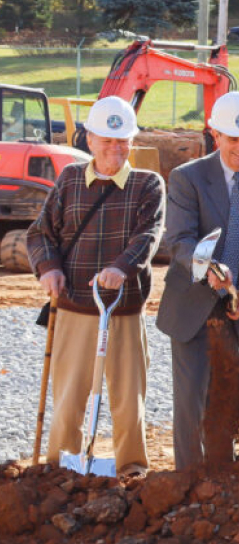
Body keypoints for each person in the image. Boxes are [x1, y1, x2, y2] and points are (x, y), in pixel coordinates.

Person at [27, 97, 164, 478]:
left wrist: (121, 269)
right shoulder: (70, 179)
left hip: (124, 310)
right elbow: (40, 233)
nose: (116, 150)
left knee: (128, 401)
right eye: (108, 141)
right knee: (69, 398)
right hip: (73, 309)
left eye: (124, 142)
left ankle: (132, 471)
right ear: (90, 139)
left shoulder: (147, 183)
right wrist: (49, 269)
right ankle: (58, 472)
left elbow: (149, 235)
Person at [157, 91, 239, 469]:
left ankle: (222, 477)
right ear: (216, 136)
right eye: (234, 139)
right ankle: (189, 480)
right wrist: (209, 269)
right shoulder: (187, 178)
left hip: (233, 310)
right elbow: (179, 241)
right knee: (192, 400)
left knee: (225, 395)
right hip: (191, 304)